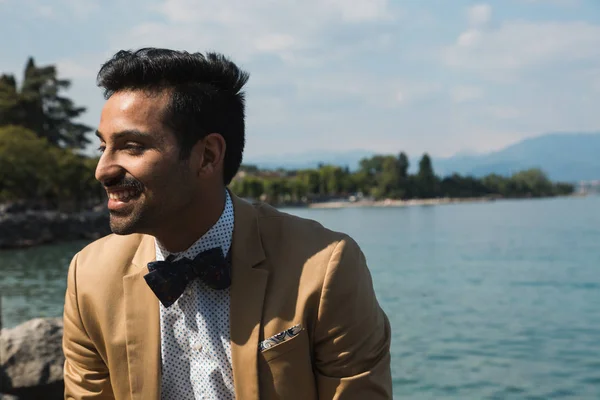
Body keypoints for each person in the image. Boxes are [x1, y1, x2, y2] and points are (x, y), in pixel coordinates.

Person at [62, 48, 392, 400]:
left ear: (207, 156)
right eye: (103, 148)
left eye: (131, 147)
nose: (103, 171)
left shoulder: (326, 267)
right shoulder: (91, 277)